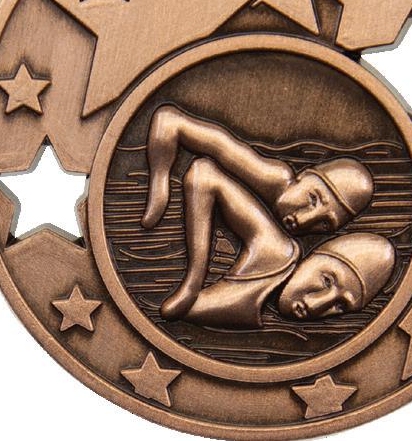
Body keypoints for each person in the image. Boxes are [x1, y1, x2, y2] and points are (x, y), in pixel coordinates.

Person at [140, 105, 395, 327]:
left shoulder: (277, 253)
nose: (303, 220)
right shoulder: (275, 181)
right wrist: (193, 281)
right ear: (305, 176)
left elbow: (204, 173)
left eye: (325, 224)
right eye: (313, 198)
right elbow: (197, 157)